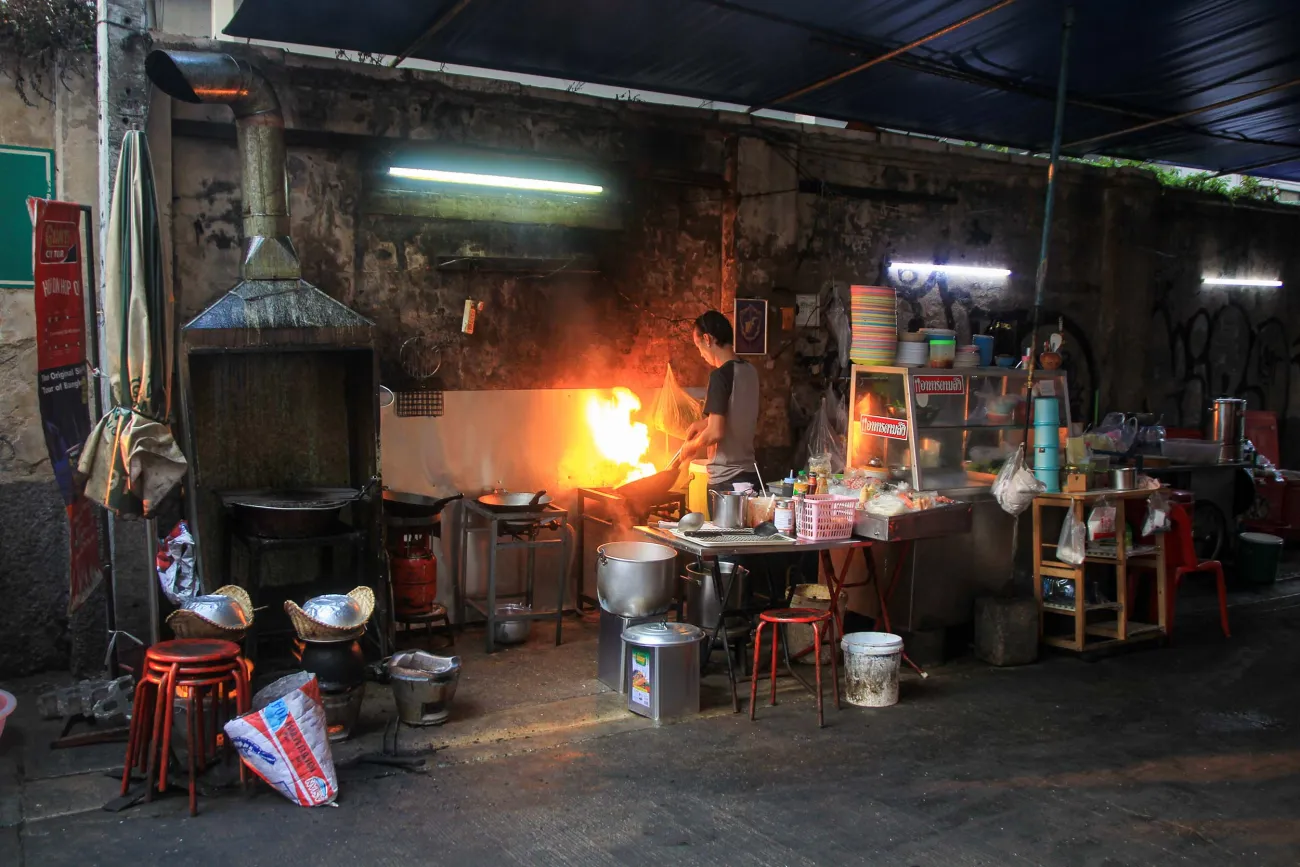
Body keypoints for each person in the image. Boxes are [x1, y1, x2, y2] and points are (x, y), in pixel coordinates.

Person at [681, 310, 760, 496]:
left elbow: (716, 432)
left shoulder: (720, 376)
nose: (700, 354)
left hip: (726, 482)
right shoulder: (750, 371)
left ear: (707, 339)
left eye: (698, 345)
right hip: (750, 476)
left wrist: (689, 447)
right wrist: (701, 424)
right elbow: (737, 414)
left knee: (724, 527)